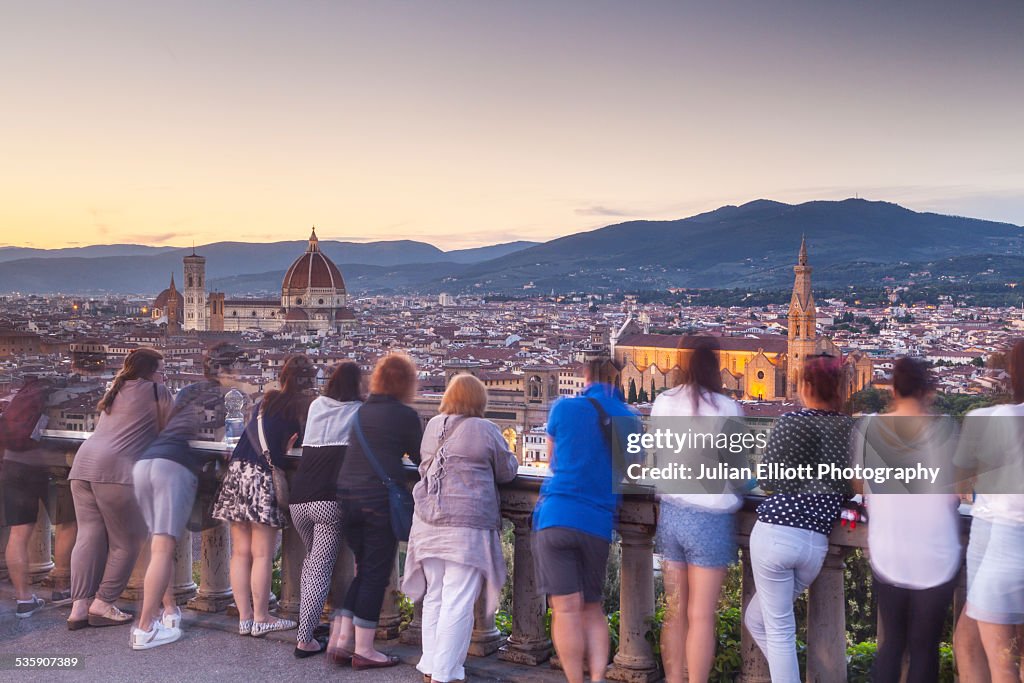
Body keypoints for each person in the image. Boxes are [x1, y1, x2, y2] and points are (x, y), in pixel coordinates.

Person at [403, 374, 519, 683]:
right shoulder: (485, 429)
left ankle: (434, 667)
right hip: (465, 525)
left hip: (427, 521)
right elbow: (507, 471)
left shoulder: (432, 426)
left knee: (435, 596)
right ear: (479, 400)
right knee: (458, 600)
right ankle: (443, 675)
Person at [743, 354, 853, 682]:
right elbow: (851, 485)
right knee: (757, 620)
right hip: (815, 545)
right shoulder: (851, 428)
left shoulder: (791, 422)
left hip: (776, 535)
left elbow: (768, 480)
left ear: (805, 385)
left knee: (778, 633)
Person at [851, 357, 960, 682]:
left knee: (892, 645)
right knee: (924, 648)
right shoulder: (945, 429)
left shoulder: (870, 427)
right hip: (936, 555)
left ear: (893, 389)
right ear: (927, 390)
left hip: (890, 552)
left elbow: (860, 484)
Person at [532, 357, 641, 683]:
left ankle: (574, 680)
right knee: (593, 608)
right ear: (618, 379)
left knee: (565, 610)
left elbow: (551, 460)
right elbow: (632, 473)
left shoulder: (563, 408)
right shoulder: (629, 418)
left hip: (555, 516)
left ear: (585, 377)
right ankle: (596, 677)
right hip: (596, 522)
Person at [129, 342, 243, 650]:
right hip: (173, 468)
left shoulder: (187, 391)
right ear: (229, 369)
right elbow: (225, 443)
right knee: (164, 549)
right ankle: (145, 628)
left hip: (147, 462)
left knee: (158, 548)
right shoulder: (227, 398)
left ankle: (170, 612)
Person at [650, 341, 744, 683]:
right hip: (709, 518)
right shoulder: (726, 407)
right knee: (702, 616)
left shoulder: (663, 401)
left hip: (672, 515)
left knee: (676, 613)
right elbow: (738, 472)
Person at [67, 348, 172, 629]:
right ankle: (102, 603)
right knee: (127, 542)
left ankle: (78, 608)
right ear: (150, 372)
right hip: (117, 471)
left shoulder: (116, 388)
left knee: (87, 536)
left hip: (83, 466)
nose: (163, 376)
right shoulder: (155, 391)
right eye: (161, 370)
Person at [212, 354, 315, 638]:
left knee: (240, 552)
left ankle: (245, 619)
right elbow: (294, 445)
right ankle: (262, 618)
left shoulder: (264, 403)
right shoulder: (301, 407)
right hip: (261, 477)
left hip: (237, 472)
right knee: (262, 554)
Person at [330, 354, 422, 670]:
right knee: (374, 573)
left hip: (346, 496)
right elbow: (422, 457)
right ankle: (365, 650)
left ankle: (341, 642)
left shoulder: (361, 412)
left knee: (363, 570)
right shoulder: (405, 416)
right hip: (377, 500)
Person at [954, 339, 1024, 683]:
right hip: (998, 549)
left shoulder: (985, 418)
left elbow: (958, 481)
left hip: (1002, 550)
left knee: (999, 665)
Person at [290, 361, 362, 658]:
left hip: (299, 498)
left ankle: (311, 625)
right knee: (319, 568)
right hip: (329, 501)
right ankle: (305, 639)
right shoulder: (359, 411)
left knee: (311, 565)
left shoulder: (317, 405)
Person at [1, 375, 77, 617]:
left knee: (18, 532)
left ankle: (24, 600)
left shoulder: (20, 395)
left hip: (12, 465)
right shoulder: (59, 396)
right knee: (66, 524)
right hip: (48, 468)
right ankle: (62, 587)